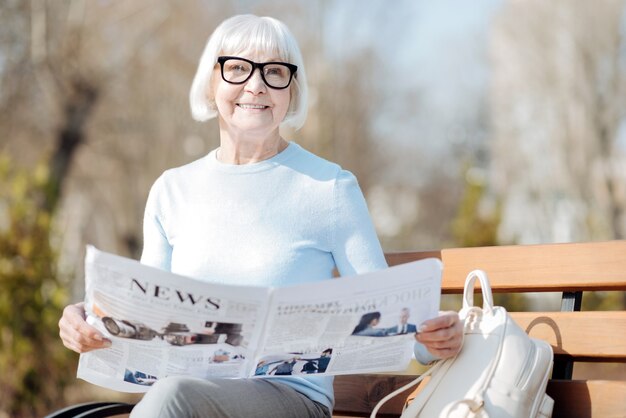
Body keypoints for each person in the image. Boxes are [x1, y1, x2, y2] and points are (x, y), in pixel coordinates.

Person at [58, 14, 463, 418]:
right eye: (237, 68)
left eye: (274, 72)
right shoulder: (171, 190)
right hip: (189, 393)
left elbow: (388, 314)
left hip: (289, 398)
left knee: (173, 399)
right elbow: (146, 317)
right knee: (169, 396)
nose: (256, 85)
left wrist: (433, 339)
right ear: (211, 82)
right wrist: (89, 322)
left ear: (291, 90)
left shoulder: (329, 187)